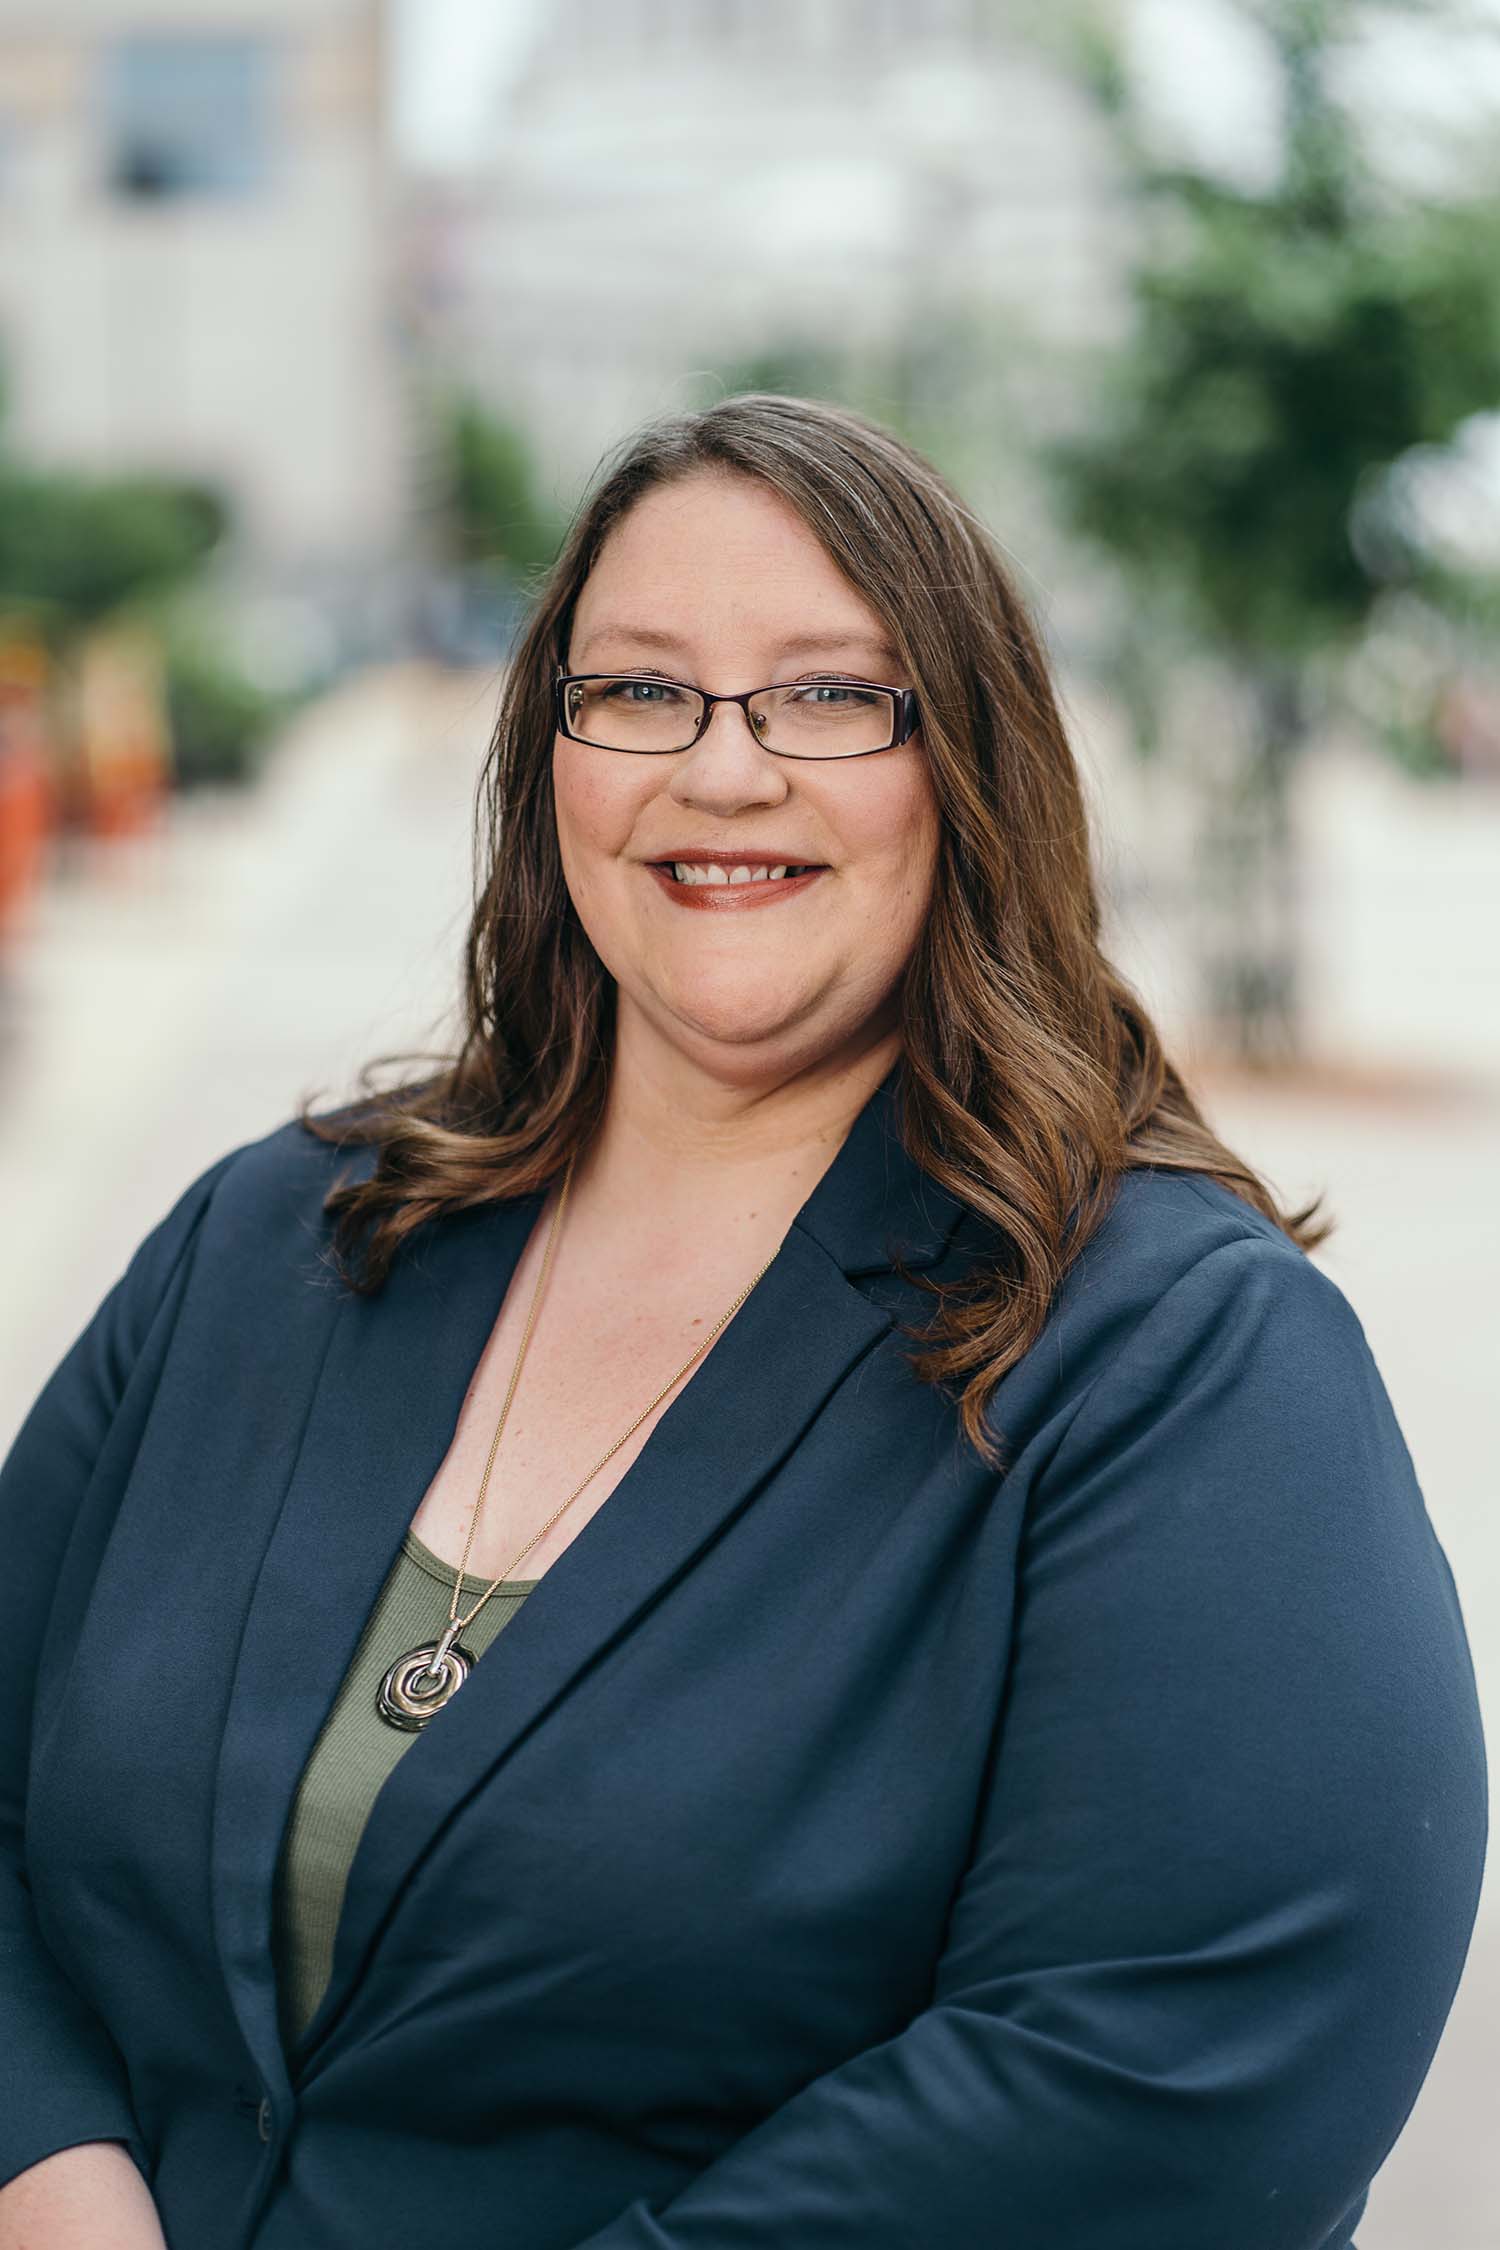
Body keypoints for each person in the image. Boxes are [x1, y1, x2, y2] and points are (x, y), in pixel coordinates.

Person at [0, 393, 1485, 2250]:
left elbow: (1160, 2076)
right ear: (552, 756)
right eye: (639, 689)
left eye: (830, 695)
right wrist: (54, 2183)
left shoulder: (1178, 1366)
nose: (724, 771)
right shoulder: (276, 1240)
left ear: (970, 766)